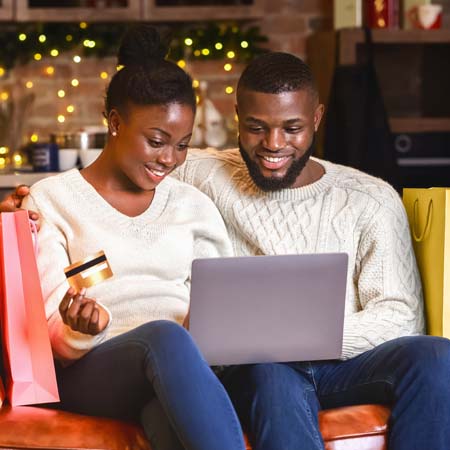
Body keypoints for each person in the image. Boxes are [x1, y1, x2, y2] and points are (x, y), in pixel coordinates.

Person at [4, 52, 450, 450]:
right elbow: (140, 124)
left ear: (317, 118)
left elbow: (398, 318)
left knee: (435, 354)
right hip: (181, 360)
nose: (274, 144)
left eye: (291, 128)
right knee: (233, 359)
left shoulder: (366, 198)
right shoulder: (188, 173)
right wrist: (11, 217)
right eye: (257, 127)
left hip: (285, 363)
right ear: (237, 118)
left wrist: (287, 333)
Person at [8, 25, 247, 450]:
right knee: (165, 337)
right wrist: (80, 329)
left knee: (162, 412)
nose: (169, 159)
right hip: (89, 370)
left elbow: (224, 305)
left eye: (182, 145)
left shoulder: (194, 207)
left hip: (181, 372)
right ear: (115, 122)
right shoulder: (53, 200)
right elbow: (47, 338)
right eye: (156, 141)